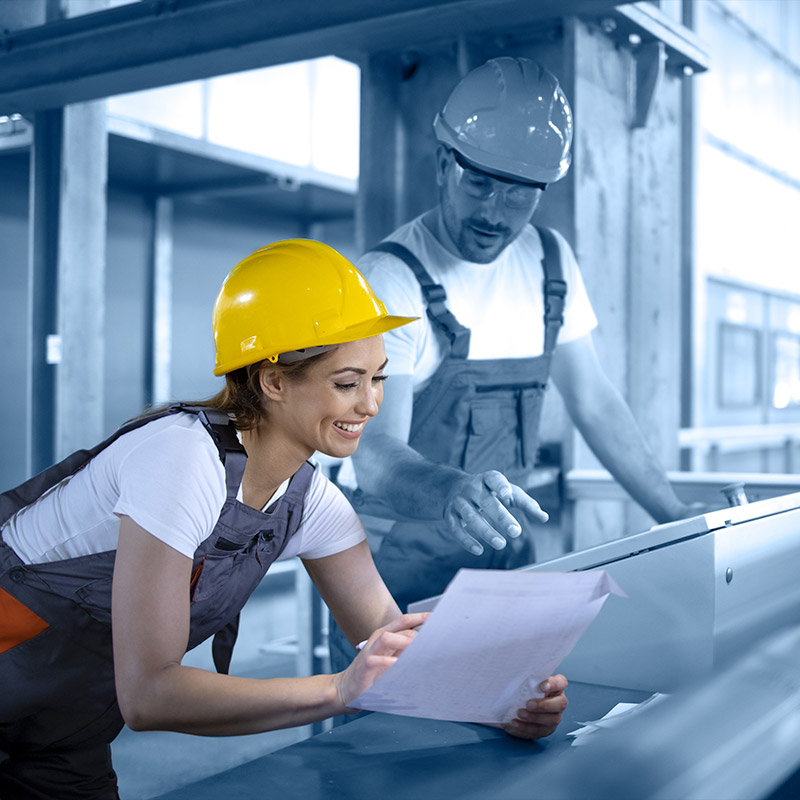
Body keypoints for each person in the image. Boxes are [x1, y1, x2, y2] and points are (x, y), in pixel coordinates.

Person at [0, 239, 568, 799]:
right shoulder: (179, 459)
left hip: (58, 734)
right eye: (347, 383)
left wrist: (502, 701)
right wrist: (339, 689)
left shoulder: (310, 502)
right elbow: (149, 694)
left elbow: (391, 644)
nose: (370, 404)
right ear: (273, 382)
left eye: (379, 378)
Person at [330, 57, 705, 665]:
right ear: (443, 165)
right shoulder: (388, 281)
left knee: (512, 727)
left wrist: (672, 513)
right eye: (479, 184)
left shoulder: (549, 262)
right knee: (388, 742)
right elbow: (373, 452)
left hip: (500, 558)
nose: (494, 213)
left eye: (520, 194)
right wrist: (452, 491)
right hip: (391, 572)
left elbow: (595, 400)